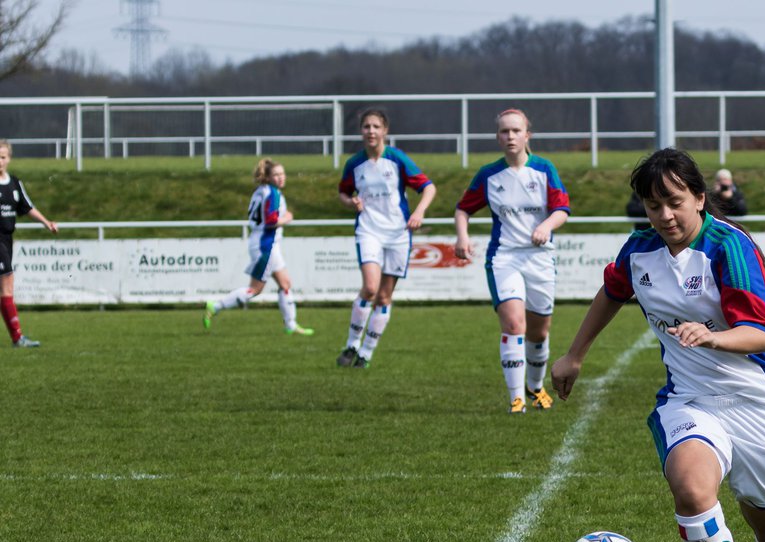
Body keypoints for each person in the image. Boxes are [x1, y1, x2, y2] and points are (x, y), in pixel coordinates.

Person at [551, 148, 765, 542]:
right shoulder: (640, 251)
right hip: (690, 400)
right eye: (653, 206)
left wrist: (714, 337)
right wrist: (574, 355)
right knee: (692, 490)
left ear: (699, 197)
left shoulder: (728, 247)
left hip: (758, 405)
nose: (665, 216)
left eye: (674, 202)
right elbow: (612, 291)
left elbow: (760, 334)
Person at [454, 108, 571, 413]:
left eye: (516, 131)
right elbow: (463, 209)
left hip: (540, 259)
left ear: (526, 135)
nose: (510, 136)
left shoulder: (544, 170)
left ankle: (535, 387)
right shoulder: (489, 175)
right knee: (514, 323)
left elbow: (562, 209)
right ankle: (516, 397)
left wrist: (546, 226)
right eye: (504, 132)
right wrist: (462, 236)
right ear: (498, 137)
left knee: (539, 331)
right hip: (504, 257)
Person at [336, 108, 436, 369]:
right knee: (370, 288)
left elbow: (429, 187)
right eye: (366, 126)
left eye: (375, 126)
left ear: (385, 130)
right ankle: (351, 344)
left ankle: (366, 353)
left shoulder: (397, 158)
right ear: (361, 131)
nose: (371, 131)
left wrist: (419, 211)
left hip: (398, 234)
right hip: (369, 230)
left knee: (383, 297)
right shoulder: (354, 164)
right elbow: (343, 193)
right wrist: (351, 201)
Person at [204, 158, 314, 336]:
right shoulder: (273, 194)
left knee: (285, 283)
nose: (281, 177)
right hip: (266, 245)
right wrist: (288, 217)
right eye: (276, 175)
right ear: (268, 177)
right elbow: (271, 222)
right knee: (255, 290)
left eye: (282, 174)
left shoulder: (260, 192)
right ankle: (215, 306)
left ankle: (291, 325)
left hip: (264, 243)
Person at [0, 140, 56, 348]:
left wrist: (46, 222)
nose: (0, 161)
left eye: (3, 157)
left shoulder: (14, 183)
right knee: (7, 283)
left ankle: (17, 337)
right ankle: (17, 337)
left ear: (9, 159)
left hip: (6, 239)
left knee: (6, 287)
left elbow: (27, 206)